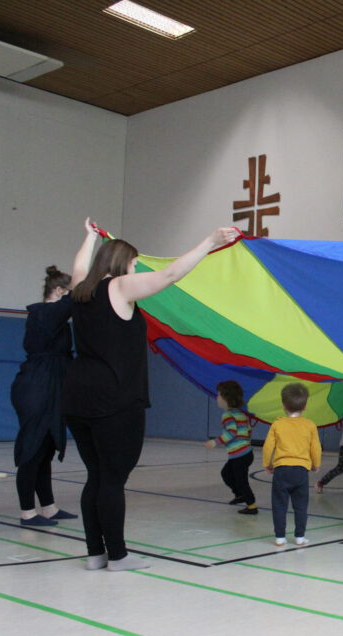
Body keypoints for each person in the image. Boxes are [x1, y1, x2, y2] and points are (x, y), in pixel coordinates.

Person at [64, 221, 238, 571]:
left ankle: (96, 554)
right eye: (133, 264)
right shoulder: (119, 287)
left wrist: (89, 237)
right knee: (113, 479)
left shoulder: (80, 290)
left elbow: (79, 265)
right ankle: (118, 556)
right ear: (122, 264)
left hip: (78, 397)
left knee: (96, 476)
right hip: (115, 399)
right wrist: (210, 241)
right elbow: (170, 275)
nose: (134, 270)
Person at [11, 246, 94, 526]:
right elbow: (74, 298)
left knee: (45, 450)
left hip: (52, 385)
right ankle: (27, 512)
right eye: (68, 293)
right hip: (37, 387)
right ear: (59, 291)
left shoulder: (55, 320)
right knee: (32, 449)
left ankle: (48, 507)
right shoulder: (43, 313)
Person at [263, 382, 321, 547]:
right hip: (301, 470)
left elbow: (268, 446)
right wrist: (316, 464)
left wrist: (267, 463)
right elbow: (315, 447)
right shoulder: (309, 425)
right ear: (305, 406)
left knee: (279, 504)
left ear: (283, 406)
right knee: (301, 505)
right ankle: (299, 536)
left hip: (281, 469)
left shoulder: (278, 424)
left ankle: (280, 537)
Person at [204, 380, 257, 515]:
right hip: (245, 454)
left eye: (219, 395)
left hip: (240, 455)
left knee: (241, 480)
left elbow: (231, 433)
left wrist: (215, 442)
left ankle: (251, 505)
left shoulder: (228, 415)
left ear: (226, 398)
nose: (217, 397)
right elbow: (248, 430)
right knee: (226, 473)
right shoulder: (241, 414)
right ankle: (240, 494)